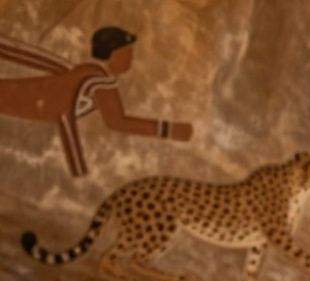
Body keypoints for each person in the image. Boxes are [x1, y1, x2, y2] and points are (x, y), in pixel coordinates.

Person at [0, 27, 192, 178]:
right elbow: (117, 122)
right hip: (35, 100)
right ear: (112, 55)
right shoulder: (99, 80)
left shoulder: (90, 72)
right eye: (127, 54)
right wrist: (170, 130)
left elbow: (46, 63)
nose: (131, 59)